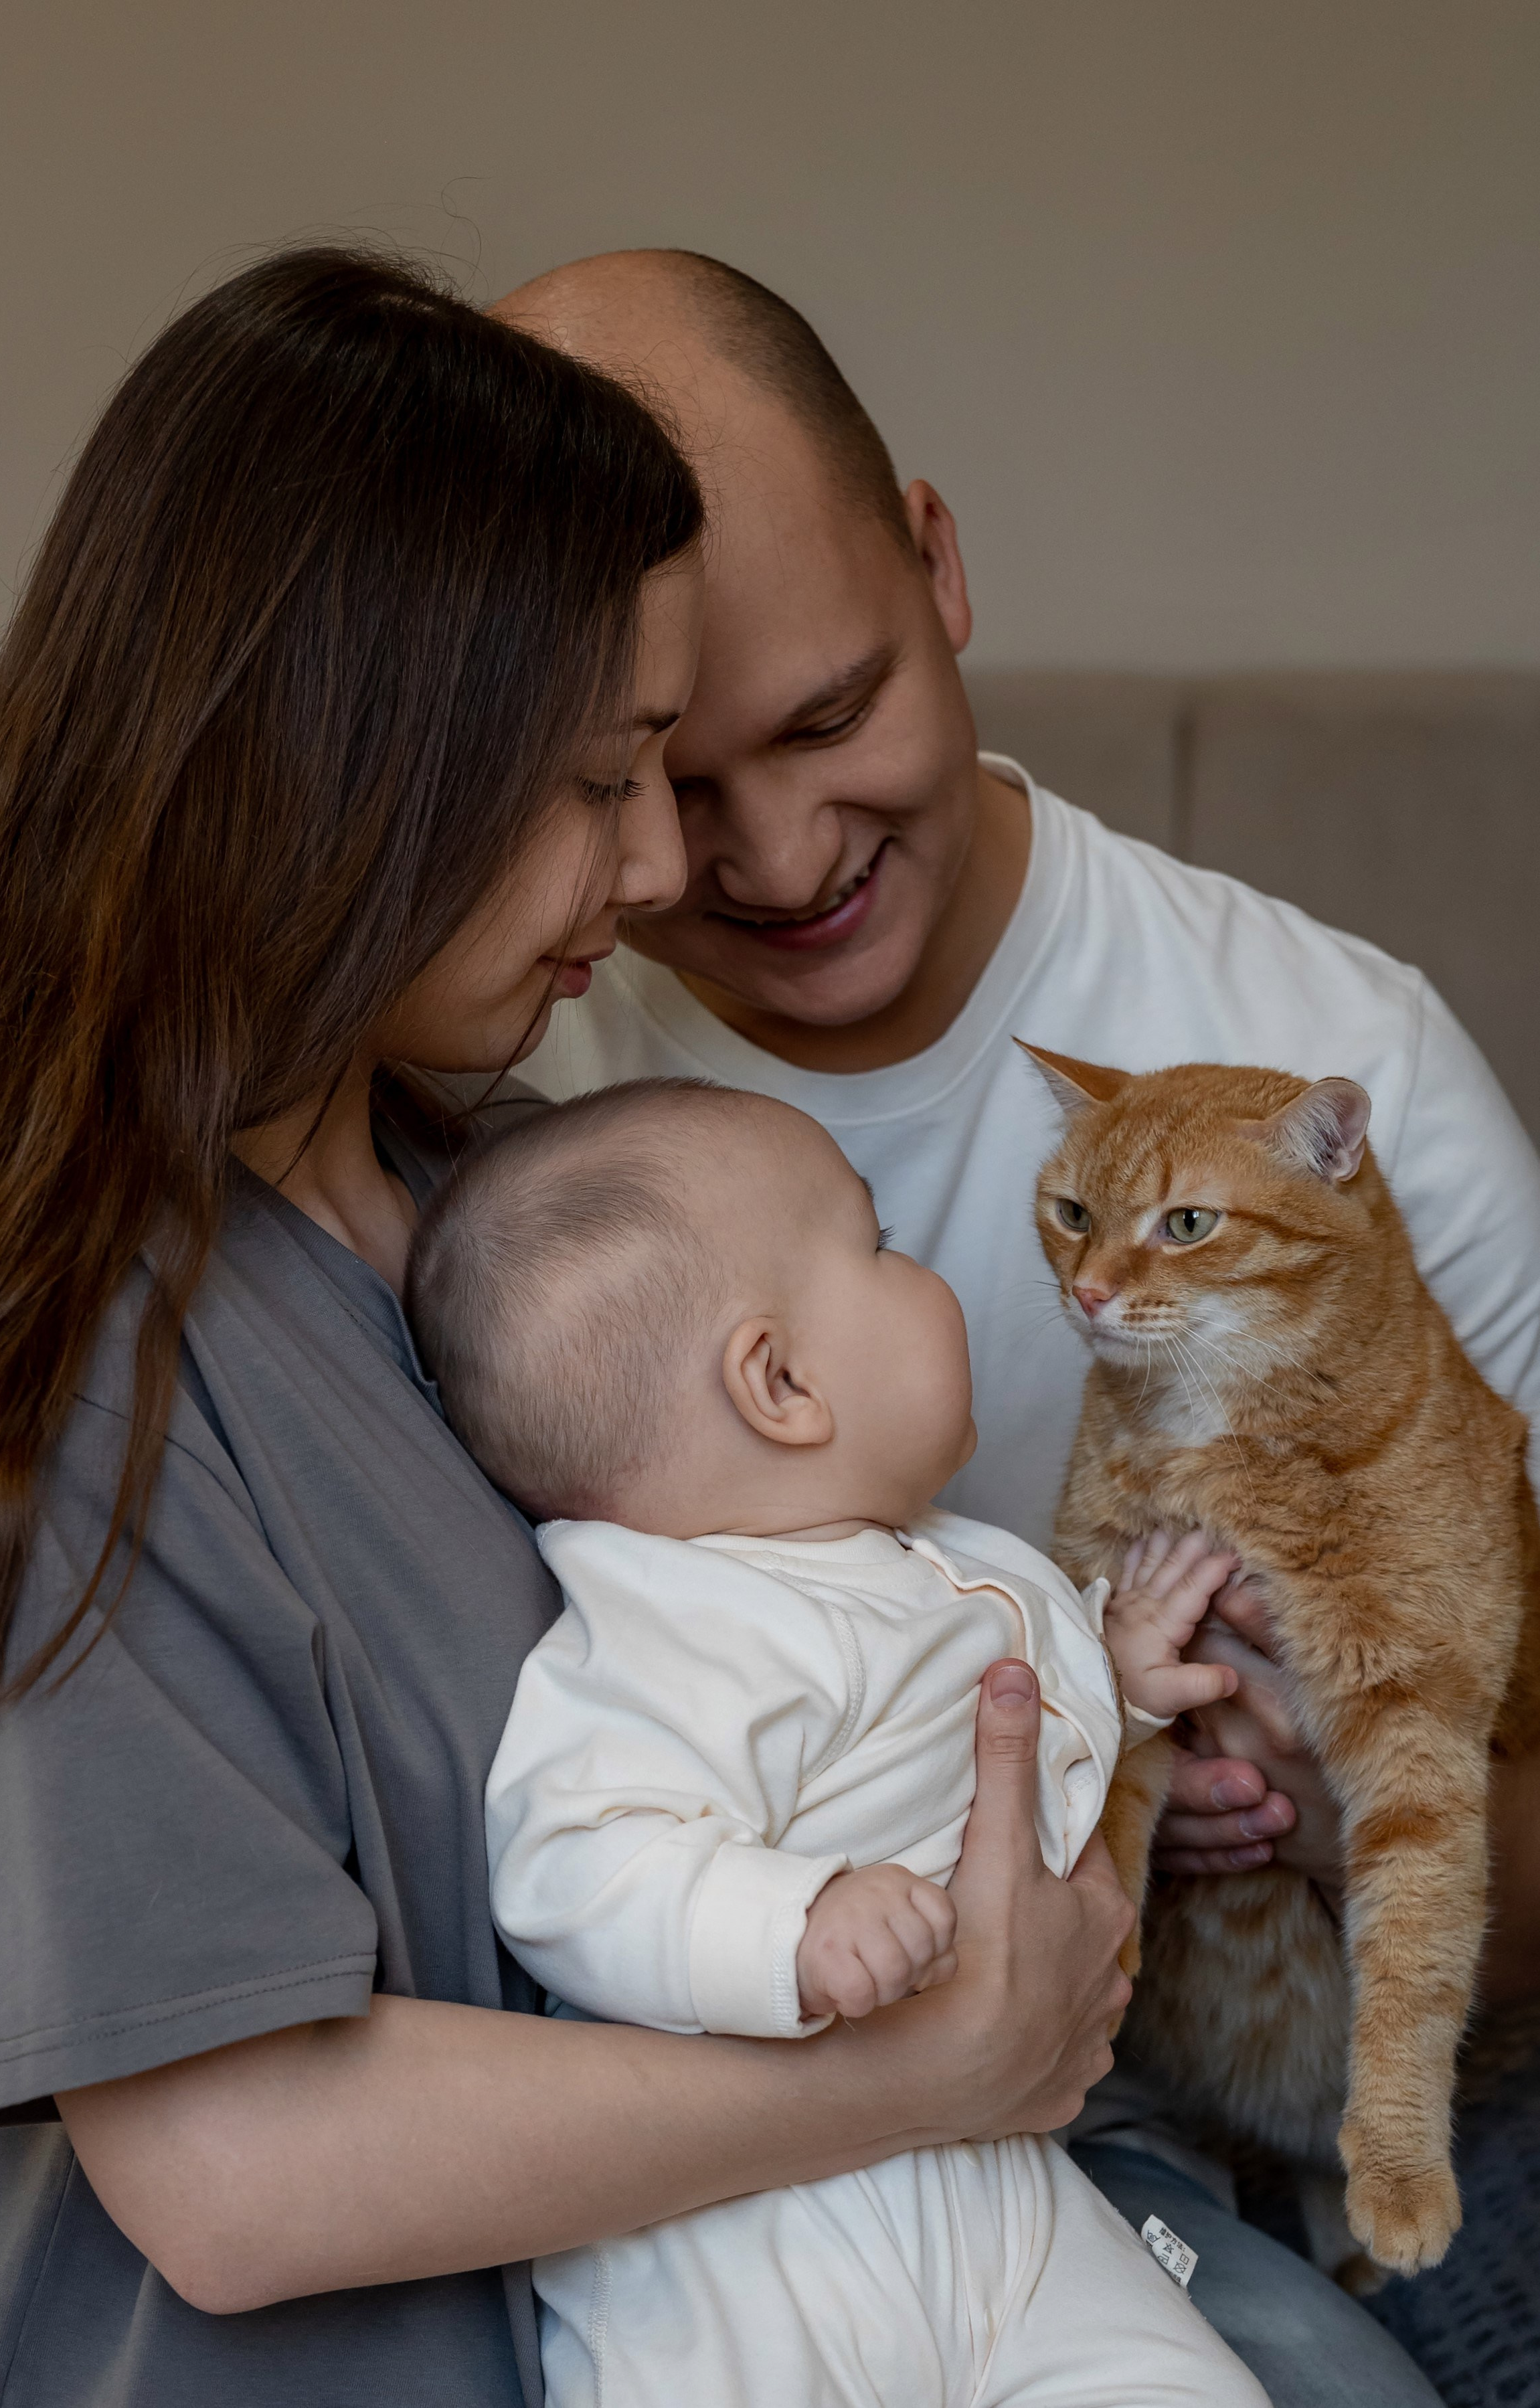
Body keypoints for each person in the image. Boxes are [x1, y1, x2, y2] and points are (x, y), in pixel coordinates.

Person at [0, 248, 1134, 2407]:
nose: (664, 864)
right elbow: (234, 2167)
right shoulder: (73, 1346)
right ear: (348, 759)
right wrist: (932, 2065)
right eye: (602, 777)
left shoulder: (497, 1212)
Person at [501, 245, 1540, 2404]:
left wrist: (1339, 1805)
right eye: (664, 776)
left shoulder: (1339, 1063)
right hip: (787, 2091)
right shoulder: (518, 1116)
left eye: (829, 718)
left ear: (939, 562)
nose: (777, 855)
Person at [409, 1074, 1264, 2408]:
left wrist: (1114, 1679)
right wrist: (793, 1922)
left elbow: (979, 1745)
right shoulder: (668, 1625)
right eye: (881, 1245)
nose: (928, 1270)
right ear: (781, 1382)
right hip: (745, 2244)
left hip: (1001, 2196)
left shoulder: (928, 1558)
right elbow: (576, 1859)